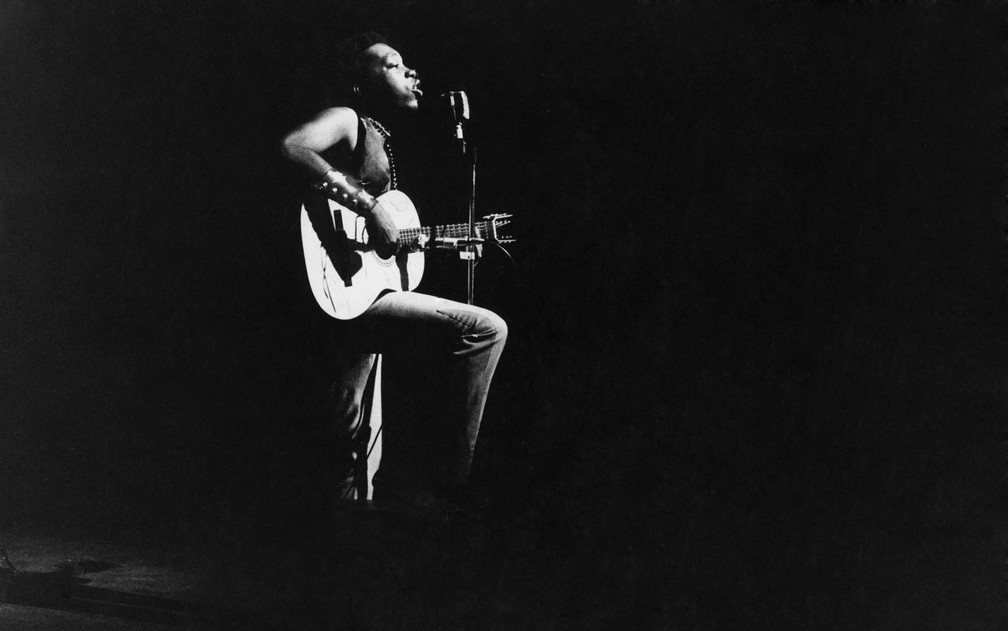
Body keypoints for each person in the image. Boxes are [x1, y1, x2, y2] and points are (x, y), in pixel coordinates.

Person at [279, 32, 507, 511]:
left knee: (349, 433)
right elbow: (294, 147)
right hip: (336, 288)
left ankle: (346, 548)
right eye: (392, 65)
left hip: (356, 291)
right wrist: (368, 207)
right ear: (361, 83)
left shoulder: (382, 138)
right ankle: (446, 478)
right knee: (484, 329)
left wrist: (438, 240)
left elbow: (388, 242)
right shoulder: (346, 118)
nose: (411, 73)